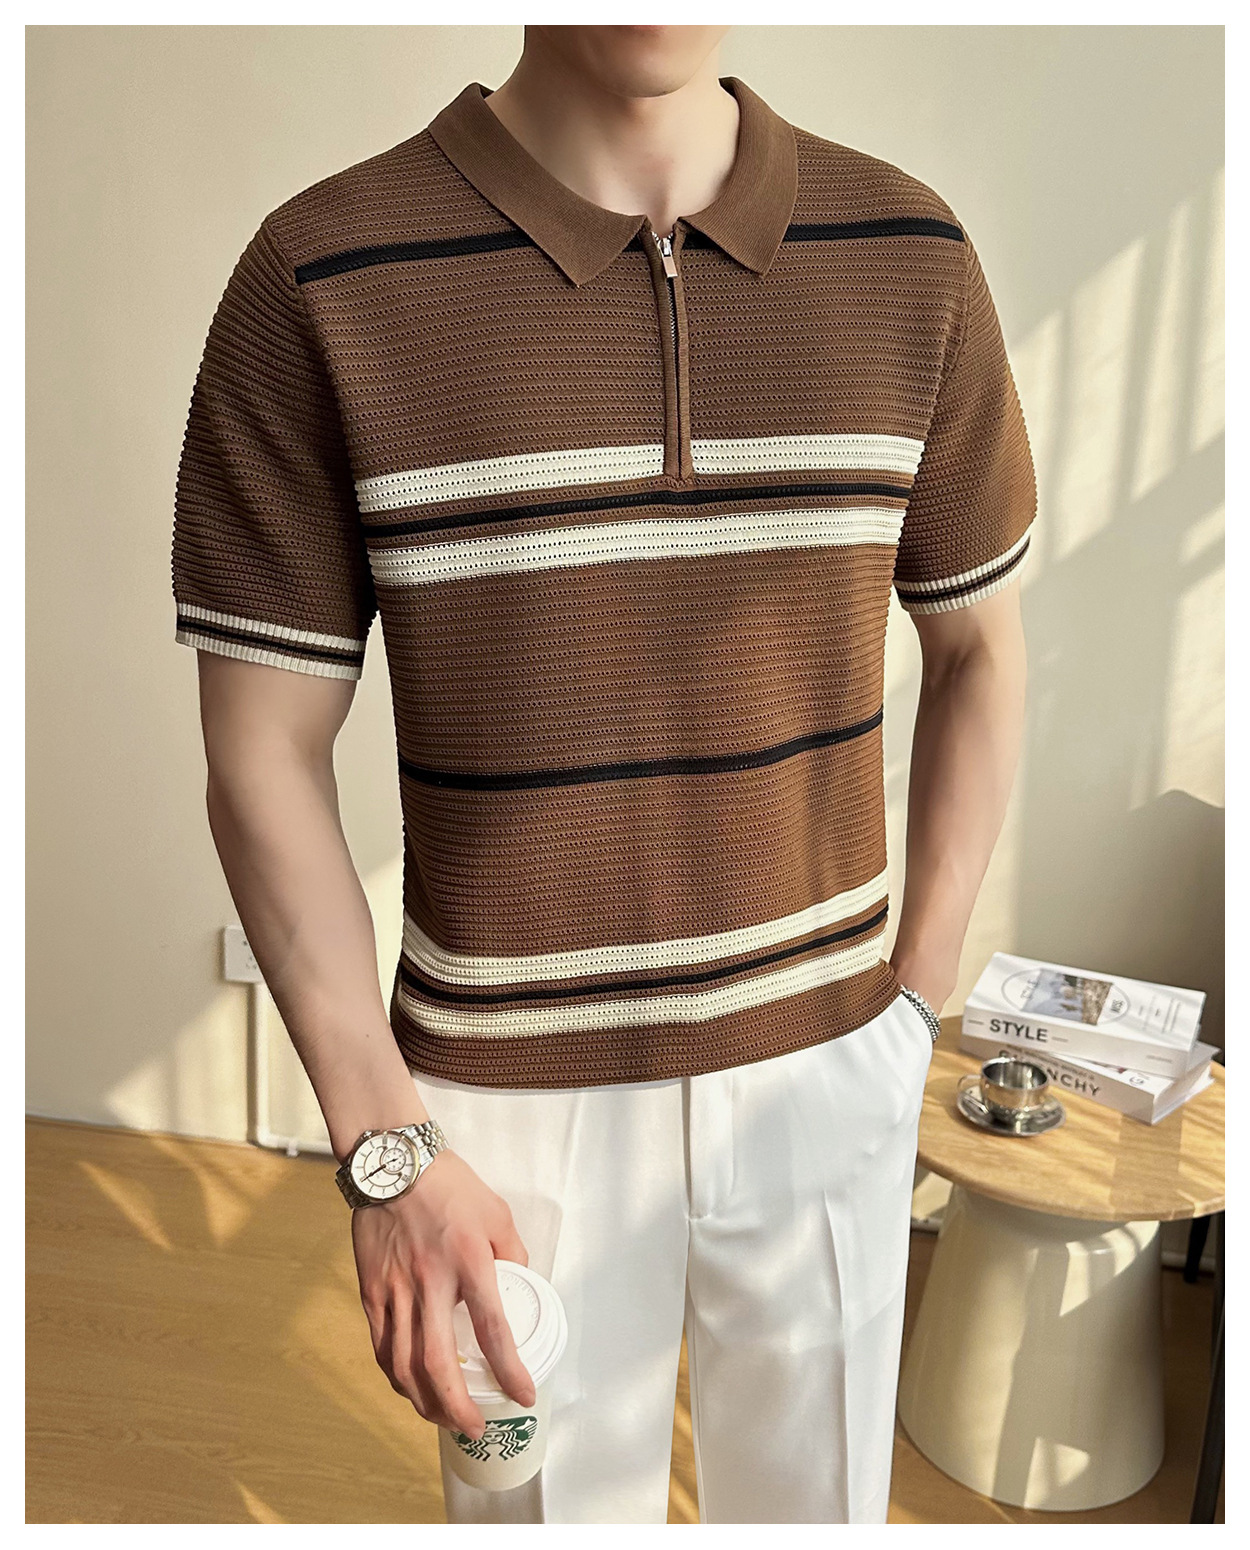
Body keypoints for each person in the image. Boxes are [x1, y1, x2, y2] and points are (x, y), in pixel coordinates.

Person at [171, 24, 1033, 1525]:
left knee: (819, 1512)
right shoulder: (316, 277)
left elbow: (980, 651)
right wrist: (386, 1147)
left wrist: (910, 1009)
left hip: (827, 1056)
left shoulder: (912, 255)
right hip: (495, 1109)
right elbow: (258, 749)